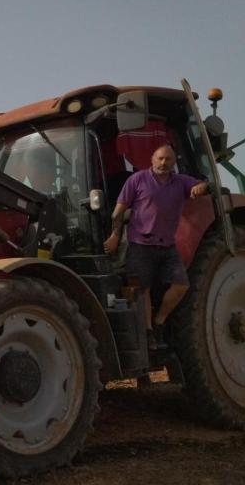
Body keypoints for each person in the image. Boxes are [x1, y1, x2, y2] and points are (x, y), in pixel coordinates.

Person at [103, 144, 209, 348]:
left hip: (167, 246)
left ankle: (159, 320)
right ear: (152, 160)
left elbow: (202, 186)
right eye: (160, 158)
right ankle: (149, 332)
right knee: (142, 290)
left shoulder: (180, 182)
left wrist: (200, 188)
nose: (164, 162)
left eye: (168, 159)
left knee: (181, 285)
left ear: (173, 162)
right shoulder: (137, 180)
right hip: (140, 244)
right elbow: (119, 211)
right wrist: (115, 235)